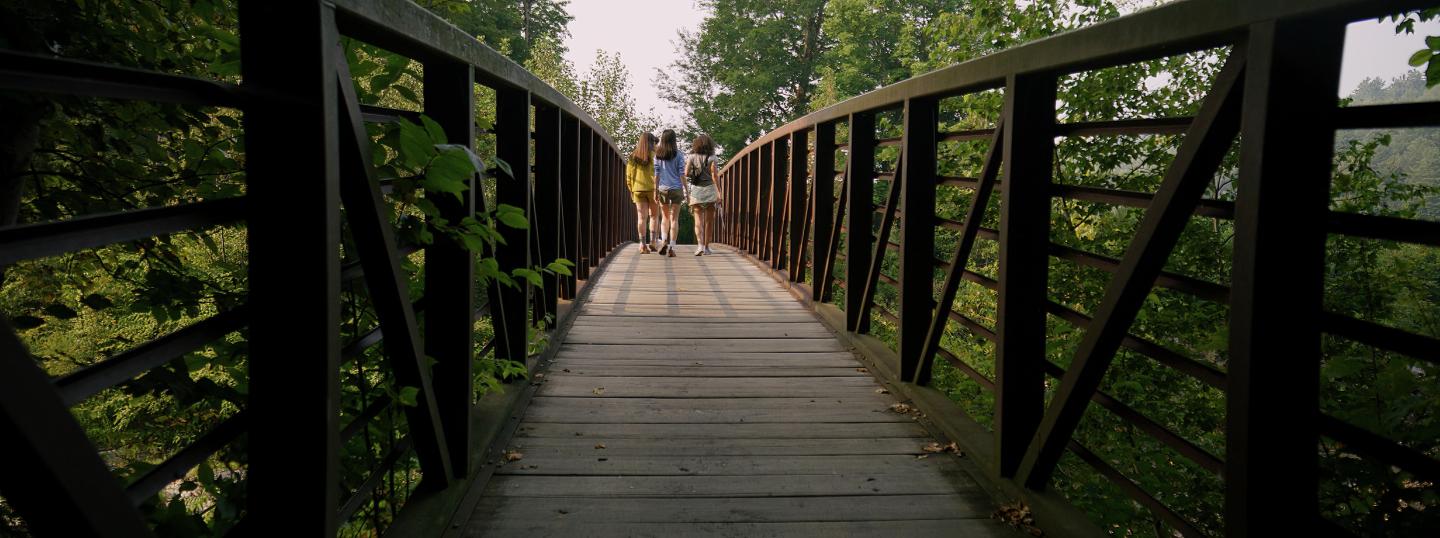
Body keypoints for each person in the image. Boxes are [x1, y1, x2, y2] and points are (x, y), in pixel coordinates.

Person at [652, 129, 687, 257]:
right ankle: (671, 247)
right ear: (674, 139)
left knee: (665, 218)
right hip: (676, 188)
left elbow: (656, 175)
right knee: (674, 218)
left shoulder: (657, 155)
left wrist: (655, 190)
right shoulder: (679, 155)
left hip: (662, 189)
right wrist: (686, 191)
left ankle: (664, 240)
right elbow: (682, 174)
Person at [684, 134, 720, 256]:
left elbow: (686, 173)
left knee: (698, 220)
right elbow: (715, 176)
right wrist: (719, 192)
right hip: (710, 189)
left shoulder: (691, 157)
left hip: (697, 190)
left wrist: (695, 173)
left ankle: (700, 246)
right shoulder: (713, 158)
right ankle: (707, 247)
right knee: (709, 221)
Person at [625, 132, 659, 253]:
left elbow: (628, 175)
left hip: (638, 189)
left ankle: (642, 244)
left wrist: (631, 189)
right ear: (652, 142)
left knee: (641, 217)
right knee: (654, 216)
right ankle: (653, 241)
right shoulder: (656, 155)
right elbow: (659, 173)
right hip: (653, 189)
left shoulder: (633, 156)